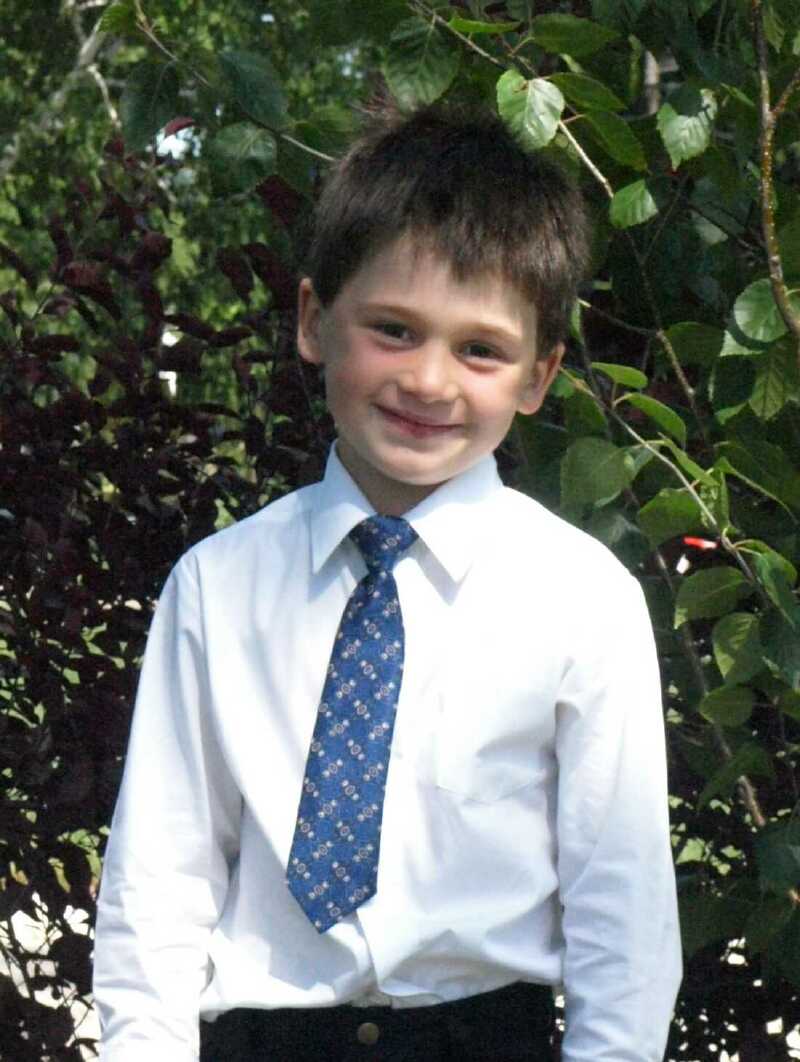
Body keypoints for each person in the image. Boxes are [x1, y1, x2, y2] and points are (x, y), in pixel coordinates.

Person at [93, 102, 682, 1062]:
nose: (431, 382)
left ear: (539, 376)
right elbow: (157, 887)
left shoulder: (583, 599)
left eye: (481, 349)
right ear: (314, 320)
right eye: (395, 330)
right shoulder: (218, 587)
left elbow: (624, 919)